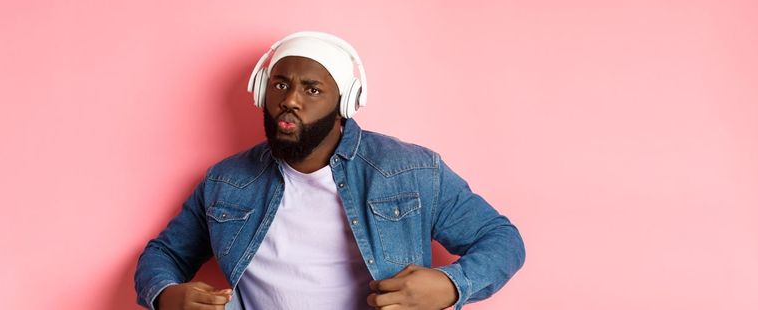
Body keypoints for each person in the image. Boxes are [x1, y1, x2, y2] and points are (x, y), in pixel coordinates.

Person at [134, 31, 525, 310]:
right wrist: (167, 295)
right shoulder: (226, 181)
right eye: (280, 85)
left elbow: (501, 240)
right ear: (261, 92)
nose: (290, 100)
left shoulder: (411, 170)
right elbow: (163, 254)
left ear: (346, 103)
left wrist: (451, 285)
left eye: (312, 89)